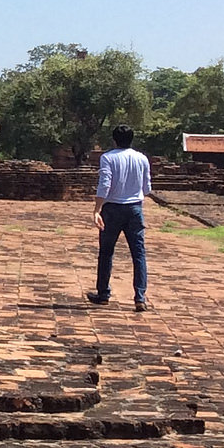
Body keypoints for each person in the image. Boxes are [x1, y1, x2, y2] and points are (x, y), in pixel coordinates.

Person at [86, 124, 150, 310]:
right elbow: (147, 188)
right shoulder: (142, 158)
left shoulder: (108, 157)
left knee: (106, 252)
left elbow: (104, 184)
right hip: (134, 209)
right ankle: (140, 297)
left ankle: (103, 293)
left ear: (114, 140)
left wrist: (97, 208)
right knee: (138, 254)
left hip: (112, 208)